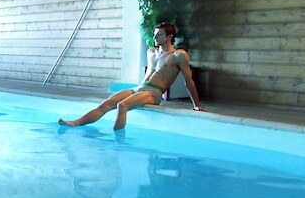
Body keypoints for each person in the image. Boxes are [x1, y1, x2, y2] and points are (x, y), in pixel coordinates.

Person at [58, 22, 203, 131]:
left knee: (122, 105)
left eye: (159, 34)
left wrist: (197, 105)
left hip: (153, 93)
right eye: (155, 34)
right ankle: (76, 123)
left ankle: (117, 142)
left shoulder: (178, 55)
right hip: (138, 88)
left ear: (169, 37)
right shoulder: (151, 52)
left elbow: (188, 80)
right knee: (106, 104)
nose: (155, 37)